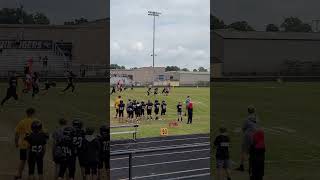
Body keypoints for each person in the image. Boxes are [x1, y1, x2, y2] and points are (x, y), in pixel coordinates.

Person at [14, 108, 37, 180]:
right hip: (33, 145)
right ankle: (31, 176)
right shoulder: (37, 122)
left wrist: (16, 143)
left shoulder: (22, 122)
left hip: (24, 144)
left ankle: (18, 174)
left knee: (22, 160)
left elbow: (17, 134)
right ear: (33, 113)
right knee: (31, 161)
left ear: (26, 113)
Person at [235, 105, 258, 172]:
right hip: (255, 135)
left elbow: (243, 128)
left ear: (248, 111)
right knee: (253, 152)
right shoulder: (257, 118)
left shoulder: (247, 119)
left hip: (248, 136)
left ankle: (241, 166)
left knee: (244, 151)